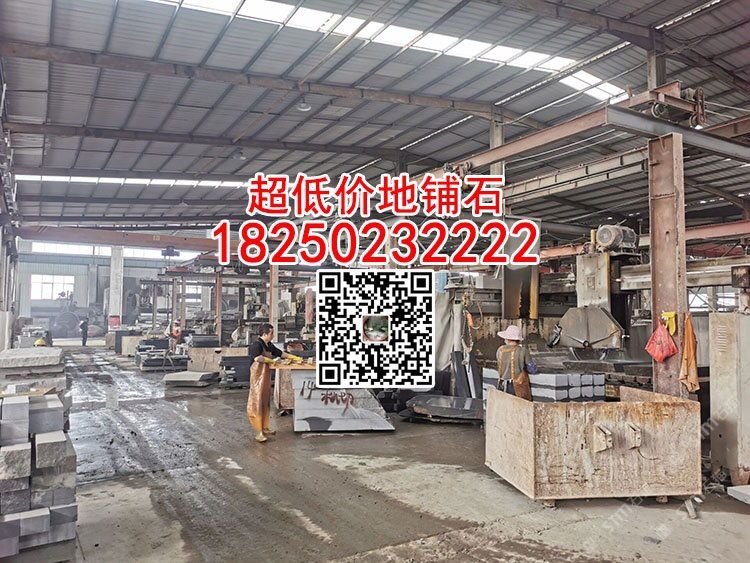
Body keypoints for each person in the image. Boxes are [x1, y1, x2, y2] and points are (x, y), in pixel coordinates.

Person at [247, 323, 302, 443]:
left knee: (265, 401)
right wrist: (270, 360)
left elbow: (280, 353)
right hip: (257, 377)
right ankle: (259, 432)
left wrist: (294, 357)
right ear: (265, 334)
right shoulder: (256, 344)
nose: (273, 335)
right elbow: (257, 358)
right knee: (257, 402)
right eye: (271, 333)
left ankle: (265, 427)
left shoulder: (269, 345)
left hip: (265, 376)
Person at [495, 325, 537, 401]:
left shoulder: (499, 350)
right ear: (518, 340)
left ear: (508, 339)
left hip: (502, 386)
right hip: (517, 388)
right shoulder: (523, 351)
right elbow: (532, 370)